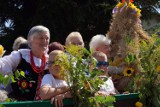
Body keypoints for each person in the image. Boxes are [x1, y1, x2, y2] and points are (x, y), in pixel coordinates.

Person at [0, 25, 50, 101]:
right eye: (41, 38)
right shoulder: (19, 56)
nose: (45, 41)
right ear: (30, 40)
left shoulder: (50, 60)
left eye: (47, 38)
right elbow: (3, 65)